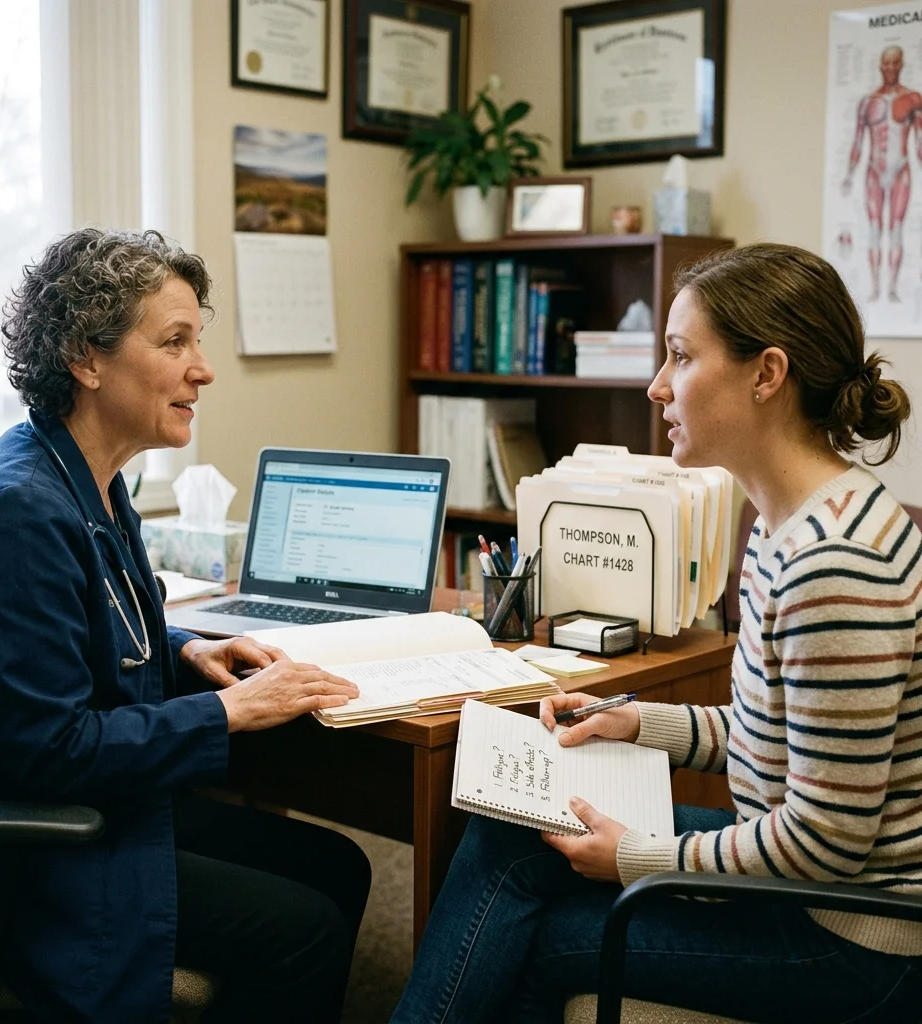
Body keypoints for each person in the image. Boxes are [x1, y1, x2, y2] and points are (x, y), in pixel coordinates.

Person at [392, 242, 922, 1023]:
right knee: (513, 834)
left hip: (849, 937)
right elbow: (774, 733)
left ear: (767, 374)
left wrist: (635, 859)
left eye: (681, 356)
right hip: (803, 884)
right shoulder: (785, 523)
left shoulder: (835, 565)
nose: (658, 385)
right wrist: (637, 721)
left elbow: (826, 841)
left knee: (542, 939)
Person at [0, 228, 371, 1023]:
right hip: (8, 851)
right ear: (85, 358)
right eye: (175, 341)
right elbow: (52, 750)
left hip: (88, 809)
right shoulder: (15, 513)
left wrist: (190, 653)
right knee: (303, 932)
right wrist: (227, 711)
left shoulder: (90, 479)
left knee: (338, 865)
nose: (203, 369)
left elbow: (85, 633)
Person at [842, 45, 922, 302]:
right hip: (874, 171)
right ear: (880, 65)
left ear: (901, 65)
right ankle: (876, 288)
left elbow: (920, 140)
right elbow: (857, 141)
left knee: (896, 228)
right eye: (886, 63)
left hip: (900, 169)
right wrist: (849, 175)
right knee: (875, 229)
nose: (890, 68)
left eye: (894, 62)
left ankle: (893, 289)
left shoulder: (913, 99)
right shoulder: (867, 102)